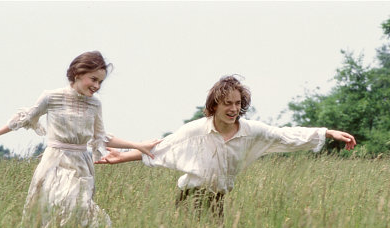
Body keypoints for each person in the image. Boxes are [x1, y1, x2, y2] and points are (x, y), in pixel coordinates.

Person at [95, 75, 356, 217]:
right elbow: (162, 147)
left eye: (238, 103)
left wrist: (328, 132)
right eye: (227, 103)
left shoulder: (251, 131)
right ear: (215, 106)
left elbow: (286, 136)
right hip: (190, 198)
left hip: (218, 199)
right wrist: (121, 157)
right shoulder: (196, 129)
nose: (233, 109)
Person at [0, 51, 159, 228]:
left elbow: (101, 137)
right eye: (93, 79)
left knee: (80, 213)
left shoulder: (95, 104)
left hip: (81, 165)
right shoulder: (51, 97)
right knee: (59, 207)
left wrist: (137, 145)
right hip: (55, 162)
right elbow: (26, 118)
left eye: (100, 82)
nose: (96, 86)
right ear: (78, 74)